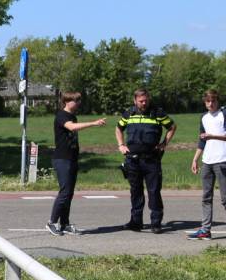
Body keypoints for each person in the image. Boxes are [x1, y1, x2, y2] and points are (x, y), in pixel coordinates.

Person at [115, 88, 176, 233]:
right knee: (135, 191)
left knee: (154, 191)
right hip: (132, 160)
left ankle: (156, 223)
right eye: (141, 101)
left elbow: (172, 127)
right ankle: (136, 222)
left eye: (146, 100)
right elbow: (118, 128)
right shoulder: (129, 113)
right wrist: (121, 145)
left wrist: (164, 143)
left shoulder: (157, 113)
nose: (144, 103)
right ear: (135, 100)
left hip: (151, 159)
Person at [46, 91, 106, 236]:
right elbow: (72, 127)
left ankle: (65, 224)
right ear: (67, 101)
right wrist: (93, 123)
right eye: (76, 101)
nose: (78, 103)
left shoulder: (73, 116)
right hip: (62, 159)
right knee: (65, 192)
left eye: (79, 101)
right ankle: (52, 223)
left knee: (70, 193)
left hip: (72, 158)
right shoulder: (61, 115)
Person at [188, 89, 226, 239]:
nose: (211, 104)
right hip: (207, 161)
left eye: (213, 101)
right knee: (206, 197)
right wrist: (195, 159)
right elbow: (202, 140)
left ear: (218, 101)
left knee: (225, 198)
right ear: (204, 102)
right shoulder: (204, 117)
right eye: (208, 101)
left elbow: (213, 136)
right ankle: (205, 230)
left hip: (223, 160)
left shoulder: (223, 114)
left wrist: (213, 136)